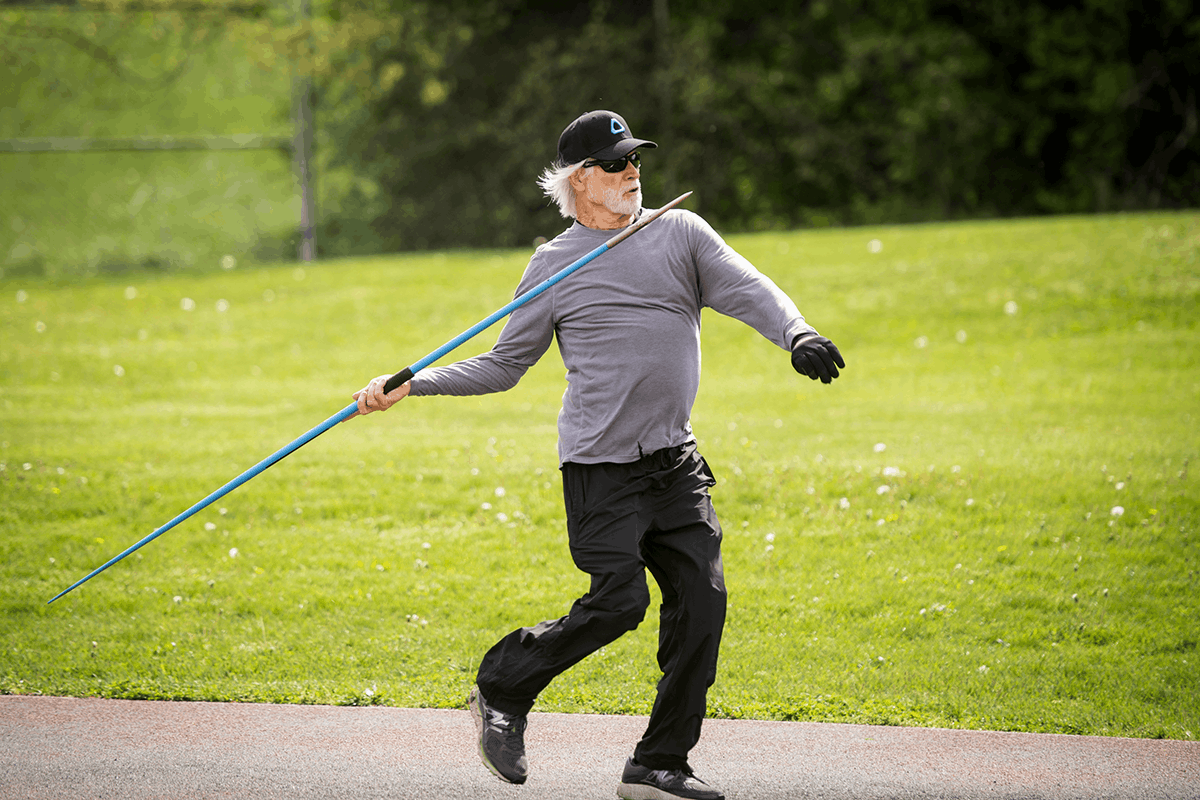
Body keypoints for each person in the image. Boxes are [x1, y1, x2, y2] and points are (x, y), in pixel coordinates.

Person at [353, 110, 845, 800]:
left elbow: (746, 287)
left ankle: (658, 764)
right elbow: (505, 364)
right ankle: (502, 684)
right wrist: (415, 383)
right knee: (618, 603)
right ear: (580, 180)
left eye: (635, 161)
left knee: (702, 608)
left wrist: (797, 334)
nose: (632, 174)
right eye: (615, 165)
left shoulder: (680, 234)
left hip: (675, 465)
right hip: (599, 471)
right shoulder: (555, 265)